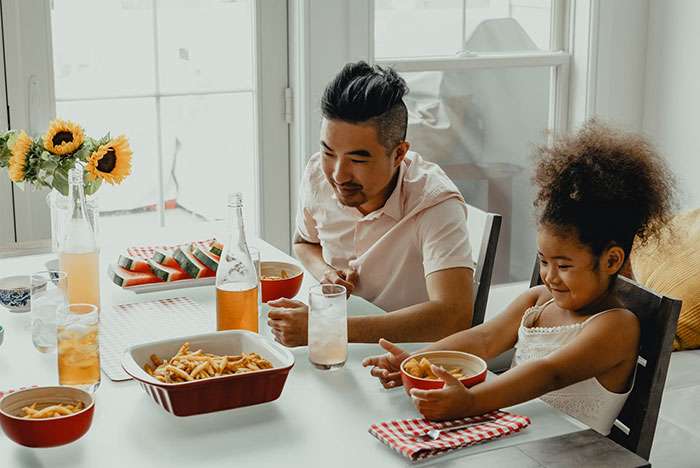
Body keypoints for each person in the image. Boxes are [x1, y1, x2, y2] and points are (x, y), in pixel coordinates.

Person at [362, 119, 676, 435]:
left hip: (575, 456)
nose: (550, 277)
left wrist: (469, 402)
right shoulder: (537, 303)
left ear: (611, 260)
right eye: (544, 261)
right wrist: (417, 361)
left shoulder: (615, 326)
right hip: (515, 440)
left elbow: (548, 373)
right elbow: (483, 339)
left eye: (564, 266)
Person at [267, 61, 475, 347]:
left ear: (399, 154)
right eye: (329, 152)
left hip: (408, 357)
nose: (338, 174)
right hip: (335, 348)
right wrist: (325, 272)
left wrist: (328, 327)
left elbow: (453, 316)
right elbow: (304, 242)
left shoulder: (434, 204)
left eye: (358, 159)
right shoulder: (318, 173)